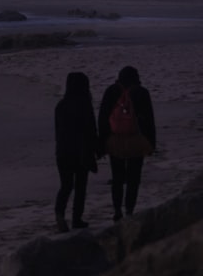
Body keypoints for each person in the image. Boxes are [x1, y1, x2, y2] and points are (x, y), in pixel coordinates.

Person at [98, 65, 156, 221]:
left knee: (117, 177)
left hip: (115, 140)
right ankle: (130, 210)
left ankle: (117, 210)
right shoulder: (142, 92)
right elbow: (149, 120)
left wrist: (102, 143)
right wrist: (151, 143)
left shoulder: (111, 91)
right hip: (136, 140)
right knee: (133, 178)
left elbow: (103, 117)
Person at [54, 71, 99, 232]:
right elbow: (91, 130)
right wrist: (97, 150)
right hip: (81, 152)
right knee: (81, 187)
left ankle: (59, 214)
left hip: (63, 152)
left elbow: (57, 131)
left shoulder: (61, 105)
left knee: (65, 186)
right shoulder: (84, 105)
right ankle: (76, 219)